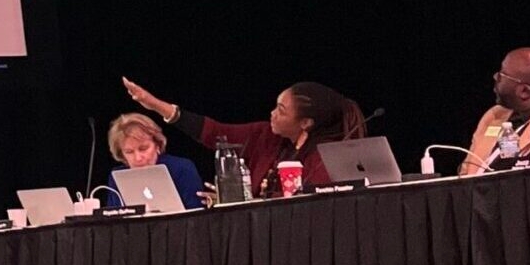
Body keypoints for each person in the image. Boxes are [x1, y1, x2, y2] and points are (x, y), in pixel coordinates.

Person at [122, 76, 366, 199]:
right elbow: (213, 132)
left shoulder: (324, 156)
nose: (272, 113)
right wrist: (154, 105)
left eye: (281, 110)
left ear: (305, 123)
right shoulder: (265, 135)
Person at [461, 47, 530, 174]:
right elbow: (465, 173)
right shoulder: (494, 115)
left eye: (502, 75)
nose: (495, 77)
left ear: (524, 91)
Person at [98, 112, 203, 210]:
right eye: (129, 152)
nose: (138, 158)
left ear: (157, 145)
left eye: (143, 149)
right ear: (122, 155)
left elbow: (196, 215)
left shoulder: (182, 168)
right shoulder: (117, 177)